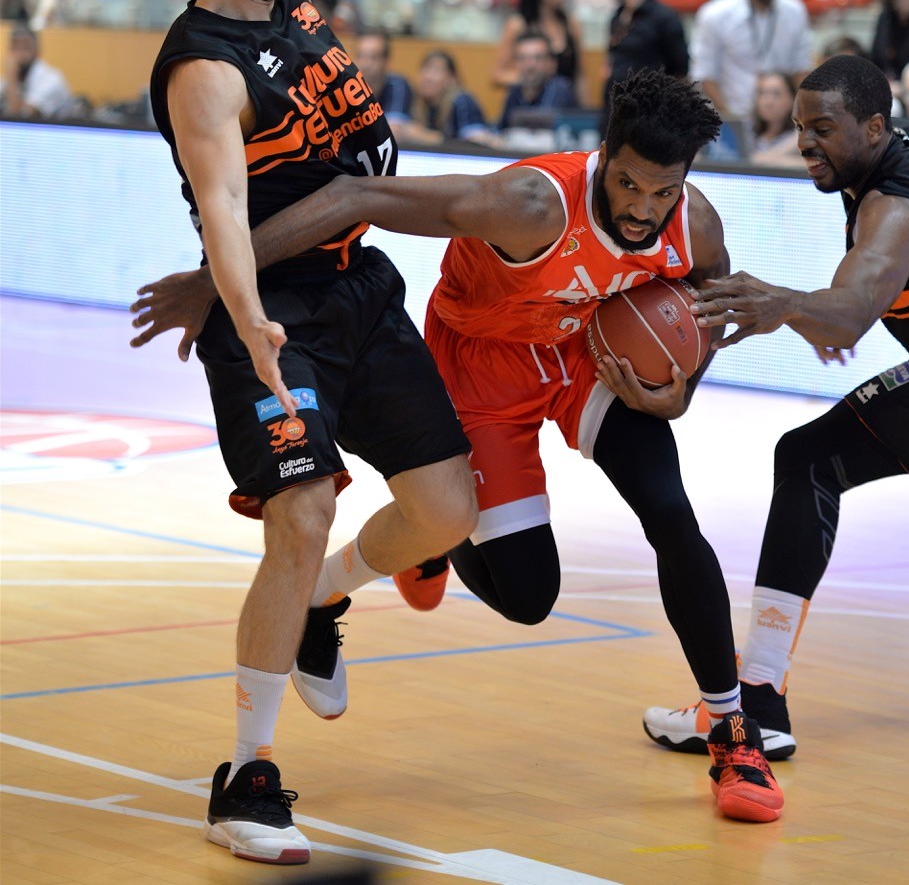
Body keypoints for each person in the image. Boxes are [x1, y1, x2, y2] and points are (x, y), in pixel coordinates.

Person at [131, 68, 788, 825]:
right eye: (630, 185)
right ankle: (412, 547)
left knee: (671, 513)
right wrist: (216, 281)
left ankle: (733, 731)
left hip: (584, 353)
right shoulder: (529, 203)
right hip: (482, 367)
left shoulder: (693, 220)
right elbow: (357, 197)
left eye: (662, 192)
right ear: (604, 154)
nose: (644, 210)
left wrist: (685, 386)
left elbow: (709, 299)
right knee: (529, 596)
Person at [133, 0, 477, 866]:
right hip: (276, 315)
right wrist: (243, 324)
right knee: (303, 508)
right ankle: (247, 772)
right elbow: (225, 213)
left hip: (359, 286)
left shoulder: (292, 4)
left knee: (447, 510)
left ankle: (328, 599)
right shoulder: (203, 69)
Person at [643, 53, 909, 757]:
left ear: (874, 126)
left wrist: (796, 307)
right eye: (798, 126)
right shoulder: (902, 144)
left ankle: (755, 703)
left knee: (809, 459)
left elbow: (853, 307)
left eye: (822, 128)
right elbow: (861, 292)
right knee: (808, 456)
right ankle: (757, 697)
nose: (806, 142)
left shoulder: (898, 205)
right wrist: (823, 310)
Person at [690, 0, 812, 124]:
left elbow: (800, 69)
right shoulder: (715, 14)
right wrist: (729, 119)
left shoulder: (795, 11)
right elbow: (705, 74)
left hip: (781, 123)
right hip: (733, 115)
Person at [601, 0, 688, 134]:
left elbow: (680, 69)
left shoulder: (663, 18)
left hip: (649, 118)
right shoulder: (617, 17)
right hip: (614, 114)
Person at [492, 0, 587, 106]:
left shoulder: (571, 24)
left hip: (566, 106)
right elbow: (497, 75)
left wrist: (585, 112)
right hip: (532, 108)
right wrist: (532, 77)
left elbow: (580, 75)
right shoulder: (518, 25)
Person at [396, 49, 499, 145]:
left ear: (451, 79)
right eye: (425, 69)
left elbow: (478, 145)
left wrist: (429, 137)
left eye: (436, 71)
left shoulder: (463, 102)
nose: (428, 77)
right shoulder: (415, 101)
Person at [497, 29, 577, 131]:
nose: (530, 65)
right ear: (515, 63)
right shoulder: (514, 92)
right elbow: (502, 131)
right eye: (523, 58)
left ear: (551, 63)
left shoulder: (561, 90)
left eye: (538, 58)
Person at [0, 24, 75, 119]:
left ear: (37, 51)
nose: (20, 54)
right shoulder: (8, 79)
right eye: (15, 48)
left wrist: (11, 77)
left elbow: (20, 117)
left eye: (25, 48)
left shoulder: (52, 79)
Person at [351, 29, 414, 126]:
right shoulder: (345, 87)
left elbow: (394, 129)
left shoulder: (398, 85)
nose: (366, 64)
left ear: (385, 60)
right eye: (361, 56)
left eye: (373, 57)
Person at [750, 71, 803, 166]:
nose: (768, 102)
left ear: (793, 99)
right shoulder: (747, 133)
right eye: (763, 93)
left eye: (776, 94)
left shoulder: (800, 136)